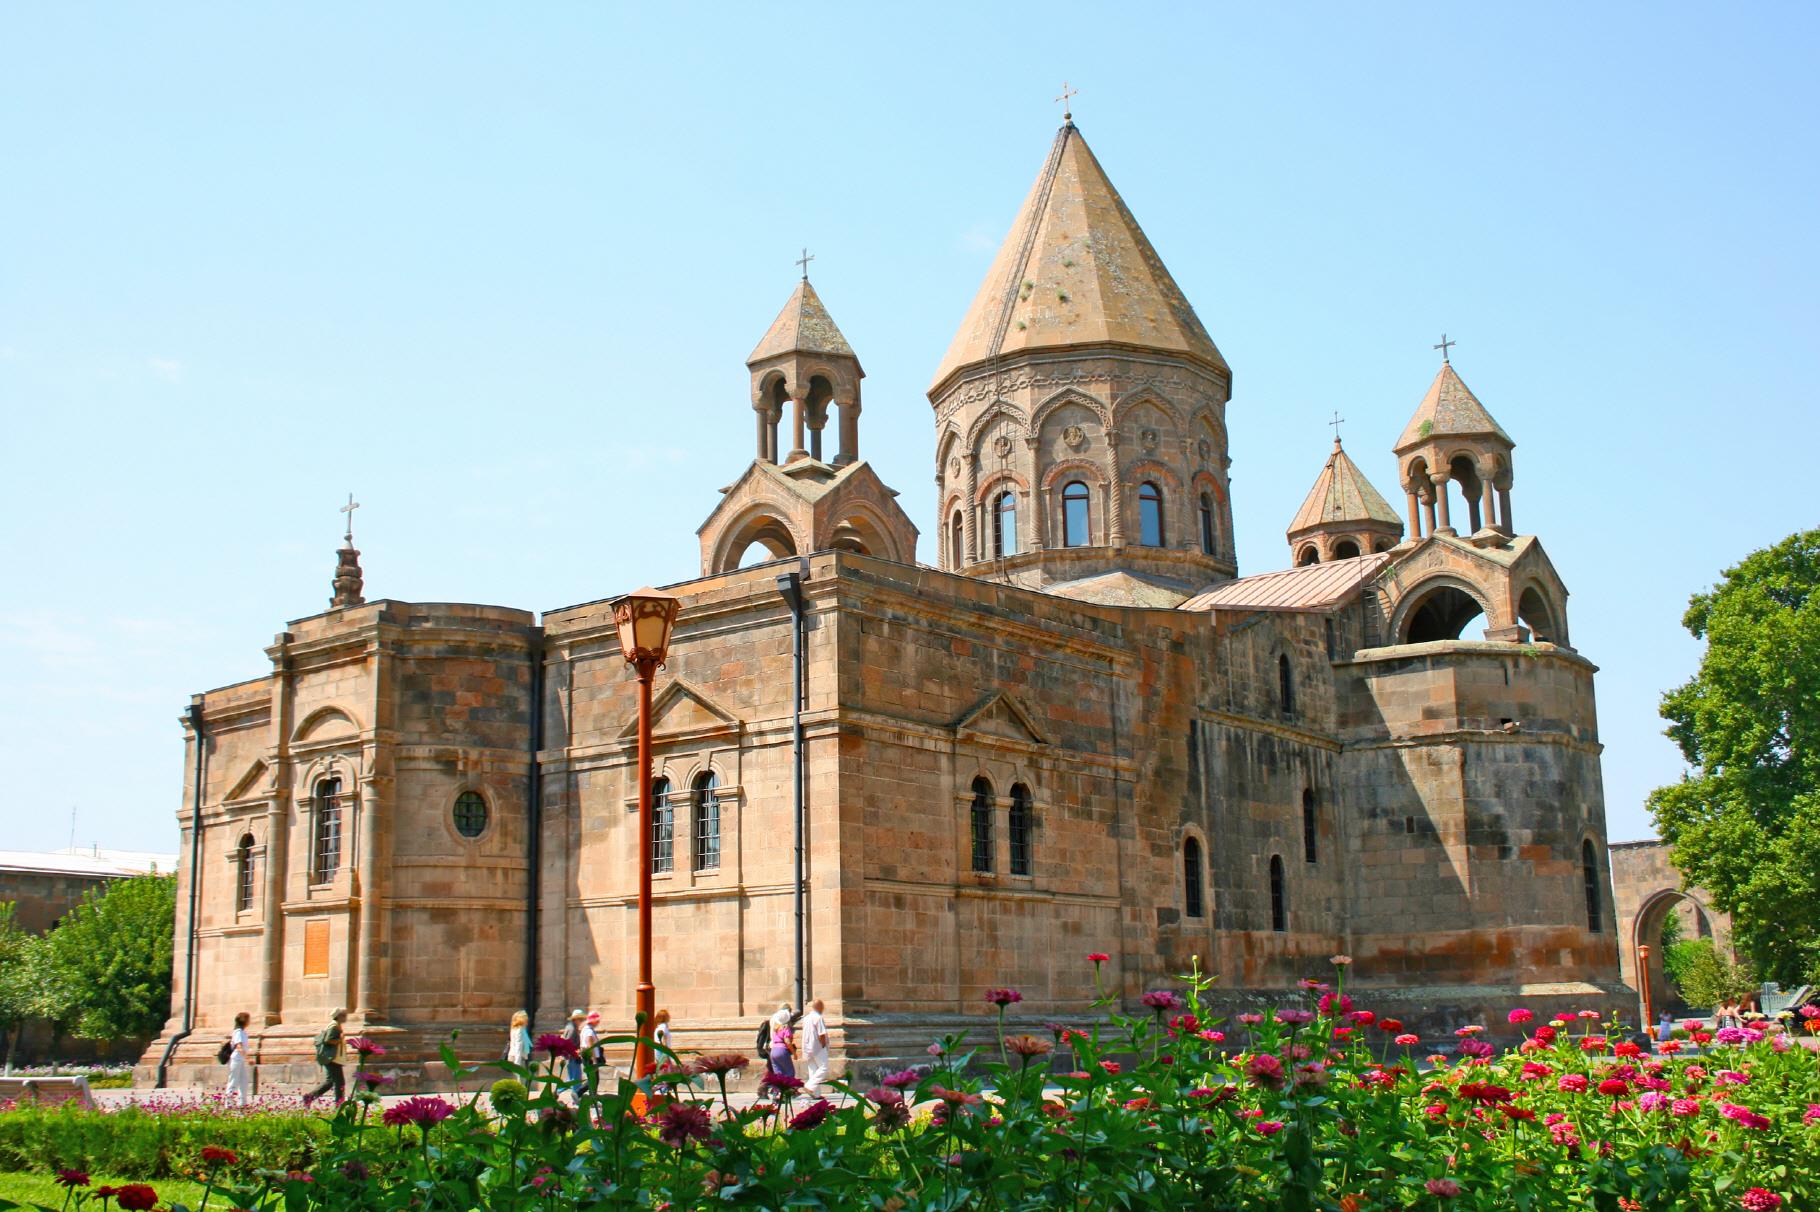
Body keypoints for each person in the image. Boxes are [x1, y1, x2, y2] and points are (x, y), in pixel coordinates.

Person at [302, 1008, 348, 1107]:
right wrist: (340, 1038)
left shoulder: (335, 1025)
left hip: (333, 1058)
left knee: (330, 1081)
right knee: (340, 1083)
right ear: (339, 1016)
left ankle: (309, 1097)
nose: (345, 1017)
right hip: (333, 1059)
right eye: (344, 1015)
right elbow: (328, 1040)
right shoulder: (334, 1026)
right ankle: (339, 1105)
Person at [801, 999, 830, 1092]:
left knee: (813, 1069)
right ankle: (810, 1085)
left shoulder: (806, 1018)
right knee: (823, 1068)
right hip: (817, 1046)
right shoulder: (818, 1017)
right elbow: (821, 1033)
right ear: (819, 1007)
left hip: (807, 1046)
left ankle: (815, 1093)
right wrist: (823, 1045)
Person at [224, 1011, 253, 1105]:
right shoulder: (238, 1032)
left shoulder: (243, 1032)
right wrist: (248, 1058)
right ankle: (228, 1103)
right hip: (236, 1059)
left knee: (243, 1080)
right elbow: (239, 1047)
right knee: (233, 1080)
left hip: (241, 1059)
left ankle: (242, 1102)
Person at [767, 1004, 796, 1078]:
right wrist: (794, 1053)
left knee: (778, 1074)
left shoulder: (775, 1029)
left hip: (773, 1050)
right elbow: (788, 1042)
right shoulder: (785, 1028)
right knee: (789, 1073)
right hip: (782, 1050)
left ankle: (778, 1089)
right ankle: (788, 1089)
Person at [561, 1009, 586, 1095]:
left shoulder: (571, 1027)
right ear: (576, 1019)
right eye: (580, 1019)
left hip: (571, 1057)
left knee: (571, 1079)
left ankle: (558, 1092)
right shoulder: (572, 1028)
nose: (581, 1021)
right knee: (575, 1079)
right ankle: (576, 1096)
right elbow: (567, 1043)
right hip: (572, 1057)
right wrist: (575, 1052)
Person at [580, 1011, 601, 1097]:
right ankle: (578, 1093)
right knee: (593, 1079)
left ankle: (593, 1096)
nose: (598, 1022)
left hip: (587, 1057)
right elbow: (590, 1045)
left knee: (593, 1078)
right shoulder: (589, 1031)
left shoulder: (585, 1030)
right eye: (597, 1020)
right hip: (590, 1058)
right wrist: (594, 1060)